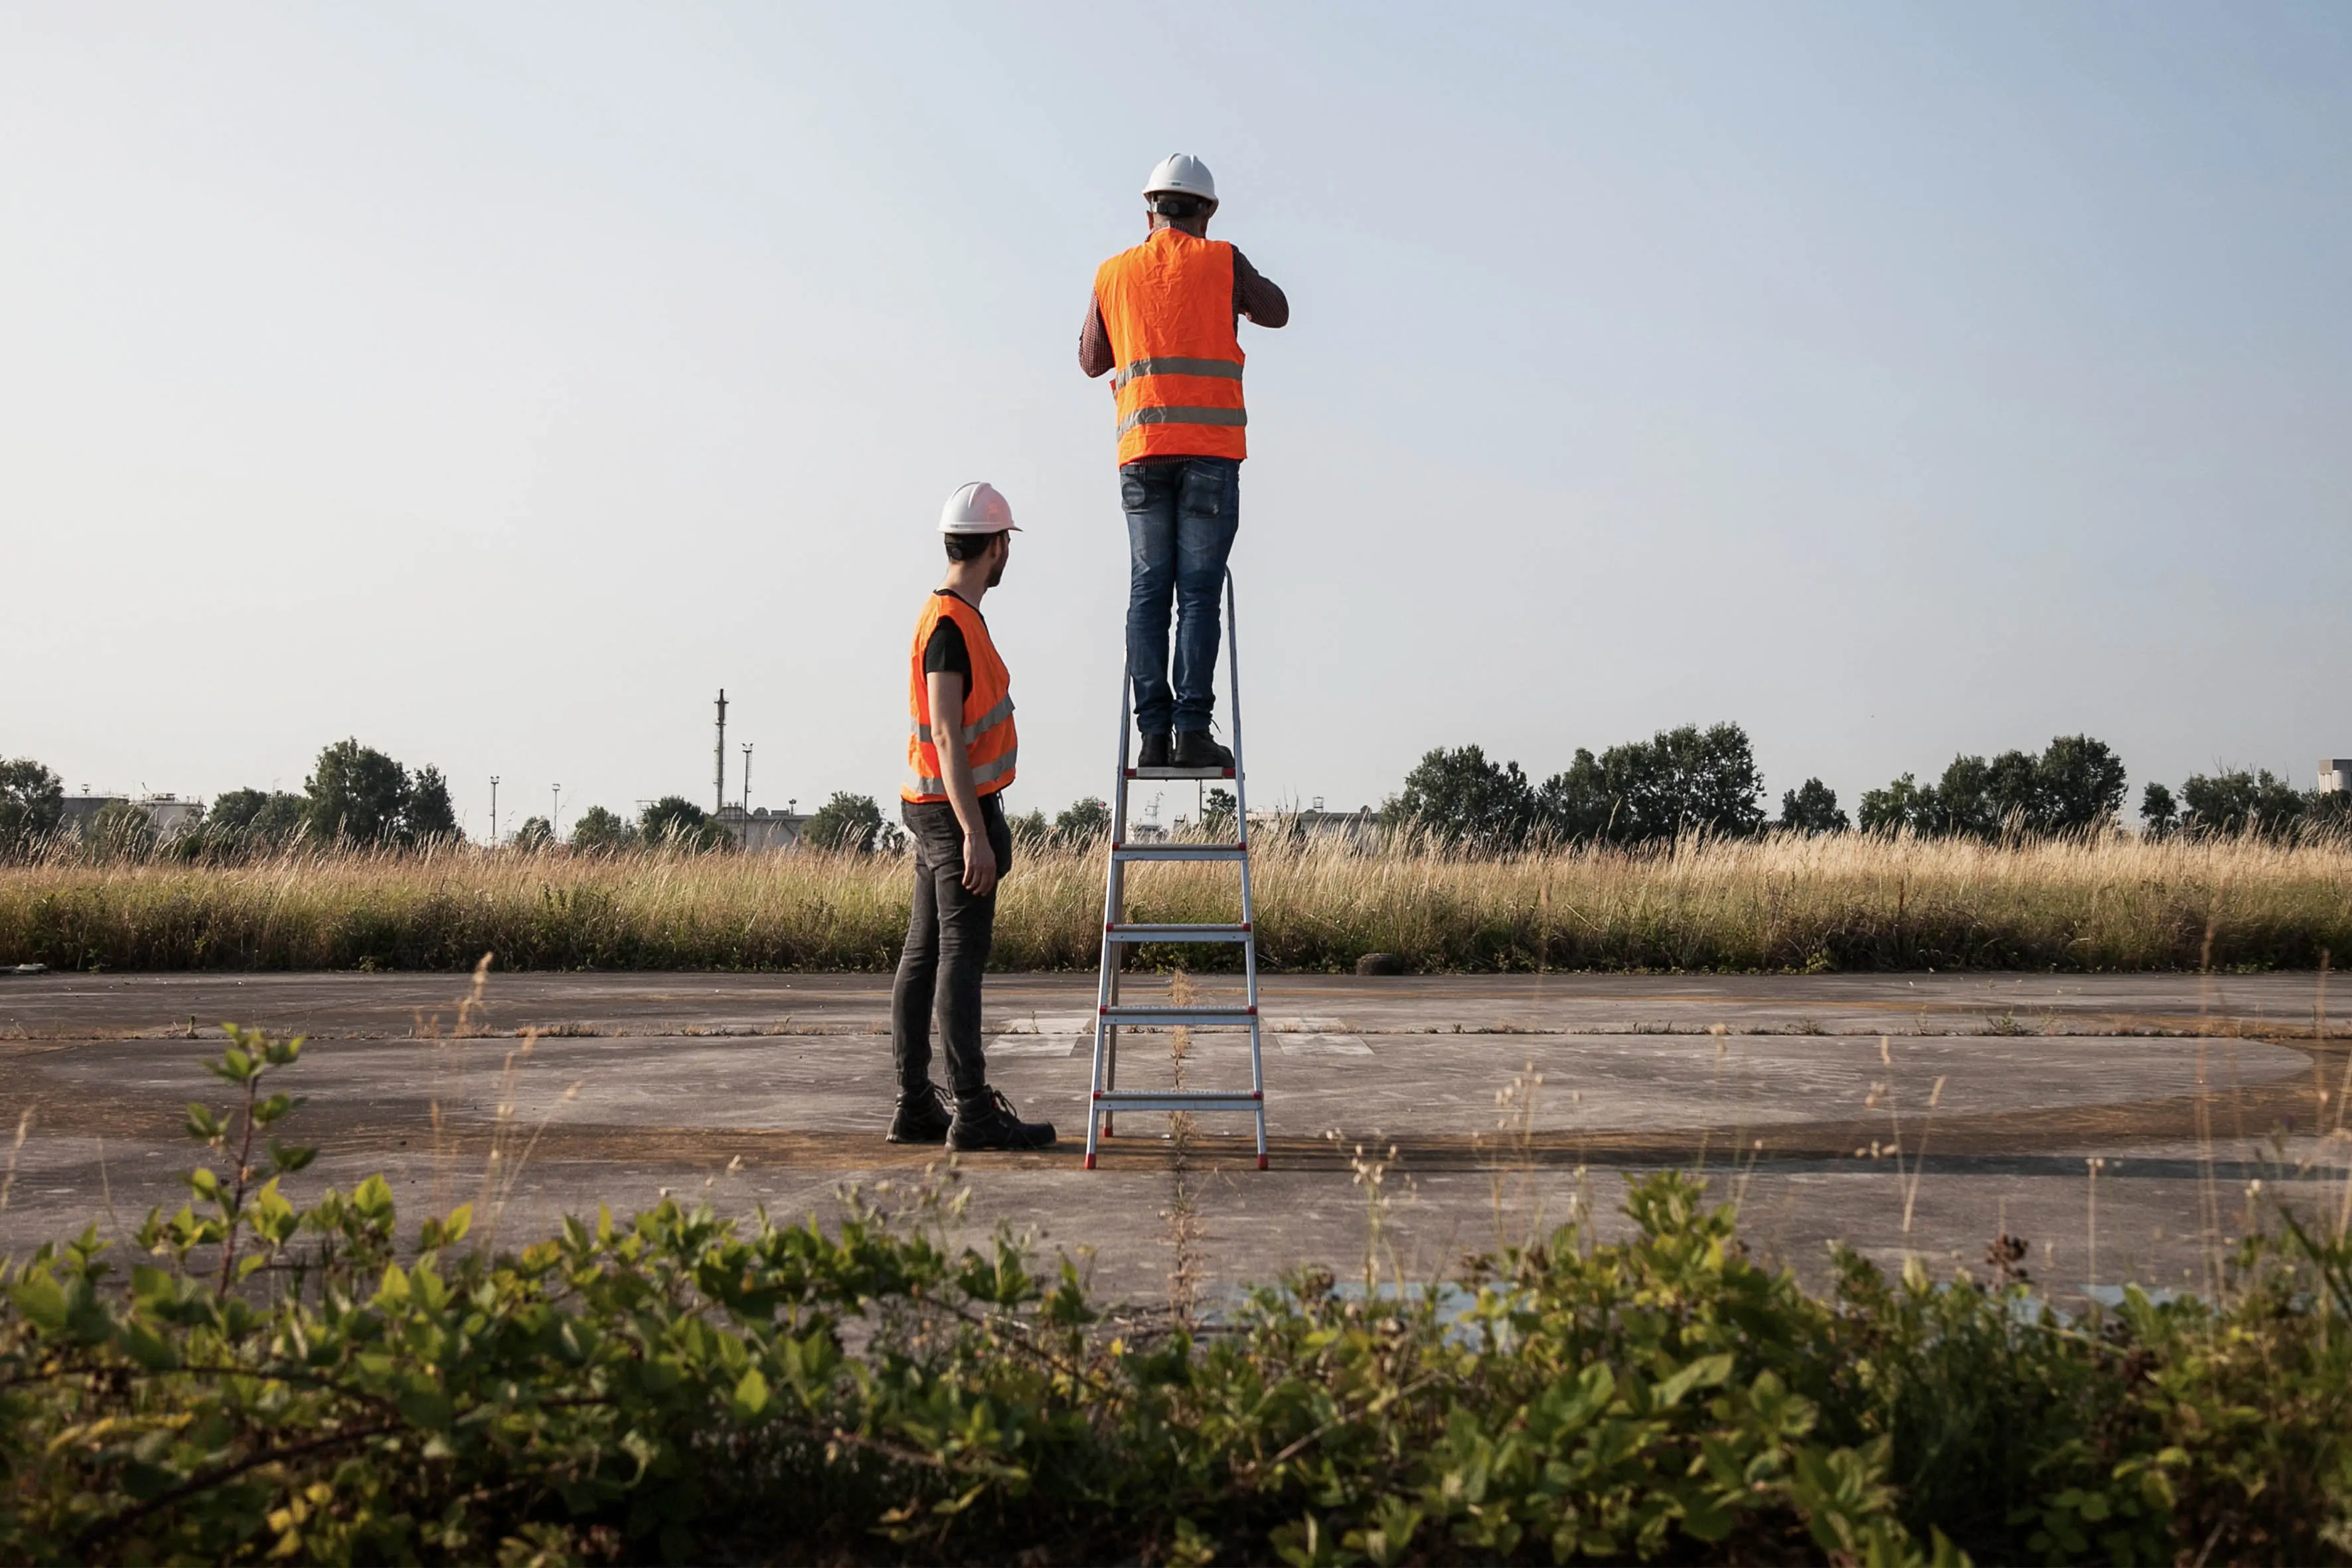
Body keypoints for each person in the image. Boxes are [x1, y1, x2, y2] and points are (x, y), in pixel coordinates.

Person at [1081, 153, 1289, 770]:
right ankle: (1192, 730)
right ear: (1209, 210)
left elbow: (1093, 361)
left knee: (1149, 590)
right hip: (1210, 454)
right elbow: (1276, 311)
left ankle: (1151, 735)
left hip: (1142, 454)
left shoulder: (1113, 274)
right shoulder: (1222, 261)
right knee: (1197, 593)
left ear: (1148, 209)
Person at [888, 481, 1056, 1151]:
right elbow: (952, 737)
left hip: (933, 804)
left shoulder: (951, 617)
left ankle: (915, 1105)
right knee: (957, 958)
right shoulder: (952, 626)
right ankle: (972, 1109)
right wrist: (973, 833)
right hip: (950, 810)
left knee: (925, 954)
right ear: (994, 547)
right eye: (1006, 543)